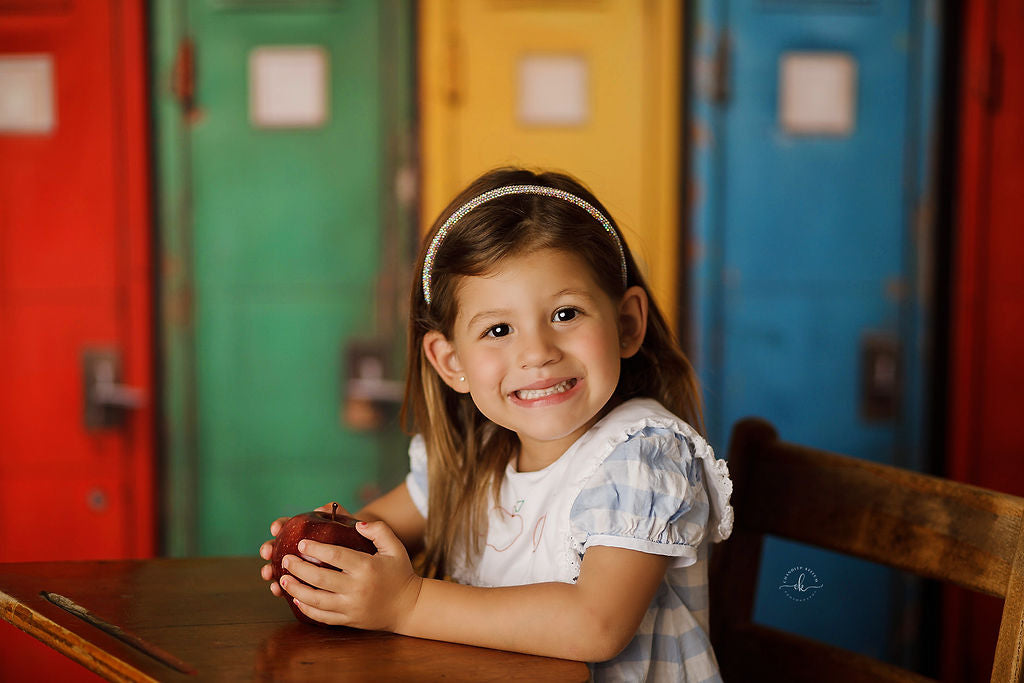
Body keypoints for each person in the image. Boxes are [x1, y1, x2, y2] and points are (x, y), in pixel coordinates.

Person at [259, 167, 734, 681]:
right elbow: (380, 531)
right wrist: (325, 560)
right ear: (451, 362)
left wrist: (406, 604)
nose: (537, 353)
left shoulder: (642, 457)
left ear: (626, 324)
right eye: (499, 329)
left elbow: (595, 624)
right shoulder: (473, 457)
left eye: (566, 314)